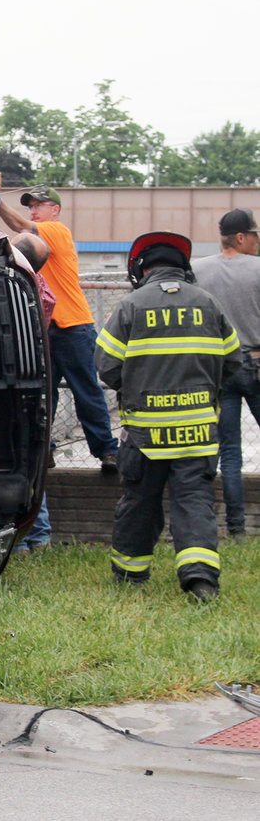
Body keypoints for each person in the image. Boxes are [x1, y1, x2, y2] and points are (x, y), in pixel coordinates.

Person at [94, 232, 239, 602]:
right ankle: (200, 578)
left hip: (145, 435)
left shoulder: (130, 306)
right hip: (197, 433)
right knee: (194, 501)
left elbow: (107, 366)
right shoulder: (208, 304)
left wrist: (135, 389)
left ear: (142, 269)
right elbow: (233, 361)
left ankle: (130, 574)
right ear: (183, 267)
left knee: (140, 502)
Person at [0, 182, 121, 473]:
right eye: (30, 206)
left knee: (85, 391)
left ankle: (107, 451)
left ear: (54, 210)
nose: (33, 211)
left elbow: (21, 228)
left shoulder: (57, 231)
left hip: (73, 326)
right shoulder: (32, 236)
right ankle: (45, 449)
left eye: (38, 206)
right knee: (44, 393)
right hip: (49, 327)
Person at [191, 208, 260, 537]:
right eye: (255, 235)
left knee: (229, 453)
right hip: (256, 362)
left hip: (220, 367)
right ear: (242, 237)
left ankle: (236, 528)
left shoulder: (198, 270)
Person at [11, 232, 58, 552]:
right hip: (30, 387)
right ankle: (38, 534)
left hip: (5, 387)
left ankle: (24, 537)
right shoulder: (43, 293)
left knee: (13, 462)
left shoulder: (11, 289)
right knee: (28, 462)